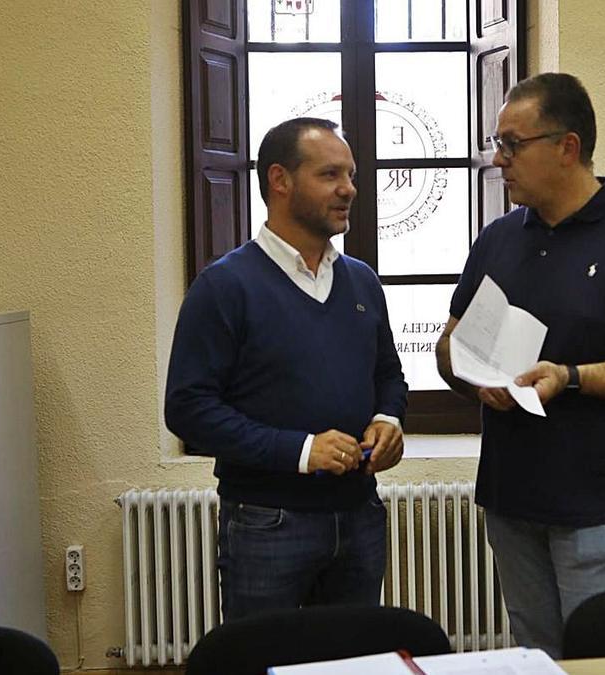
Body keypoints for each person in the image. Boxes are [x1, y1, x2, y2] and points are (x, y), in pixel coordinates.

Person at [435, 73, 605, 657]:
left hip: (601, 506)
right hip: (512, 501)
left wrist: (571, 377)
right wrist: (474, 376)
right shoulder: (498, 241)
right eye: (497, 143)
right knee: (537, 660)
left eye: (512, 144)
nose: (498, 159)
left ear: (568, 147)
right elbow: (449, 346)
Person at [166, 117, 408, 619]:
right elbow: (188, 409)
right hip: (267, 522)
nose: (349, 190)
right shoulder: (225, 287)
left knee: (352, 663)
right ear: (280, 180)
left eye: (352, 175)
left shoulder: (361, 282)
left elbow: (389, 375)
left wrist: (389, 420)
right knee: (260, 659)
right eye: (330, 175)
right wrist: (301, 451)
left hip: (360, 514)